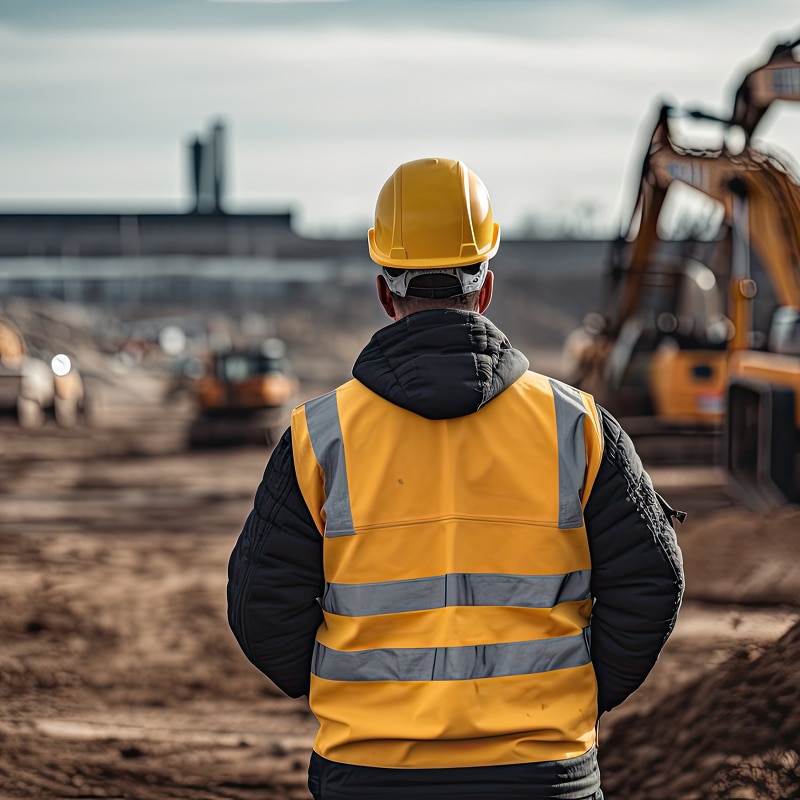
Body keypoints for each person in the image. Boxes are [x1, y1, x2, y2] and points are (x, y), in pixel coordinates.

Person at [227, 157, 685, 800]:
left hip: (371, 775)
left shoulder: (318, 436)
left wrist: (361, 703)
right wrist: (568, 697)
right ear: (486, 286)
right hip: (541, 775)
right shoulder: (576, 427)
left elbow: (260, 609)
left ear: (387, 293)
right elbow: (651, 583)